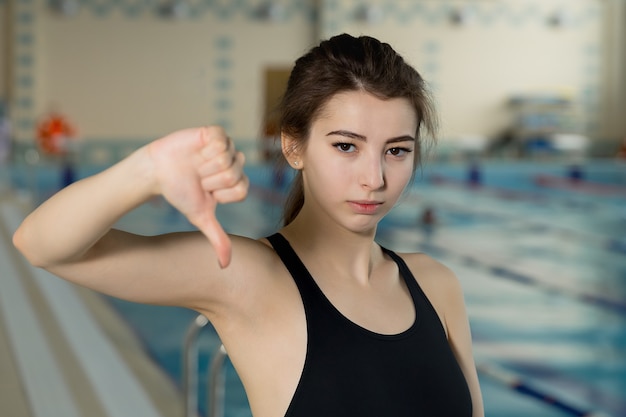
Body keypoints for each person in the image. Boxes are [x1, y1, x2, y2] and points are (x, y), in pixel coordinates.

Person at [13, 34, 484, 417]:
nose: (374, 177)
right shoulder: (249, 277)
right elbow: (42, 245)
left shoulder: (435, 285)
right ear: (293, 147)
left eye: (396, 150)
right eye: (346, 146)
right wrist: (148, 171)